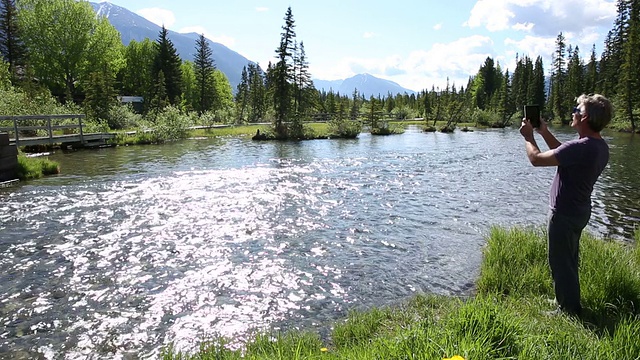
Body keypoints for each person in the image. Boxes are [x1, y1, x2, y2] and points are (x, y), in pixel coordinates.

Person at [519, 94, 613, 316]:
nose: (573, 112)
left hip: (564, 213)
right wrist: (544, 132)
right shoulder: (597, 146)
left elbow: (537, 159)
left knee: (561, 263)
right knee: (569, 260)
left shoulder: (581, 148)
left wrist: (528, 136)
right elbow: (564, 154)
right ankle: (568, 301)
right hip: (580, 211)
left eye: (576, 109)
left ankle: (568, 310)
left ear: (585, 117)